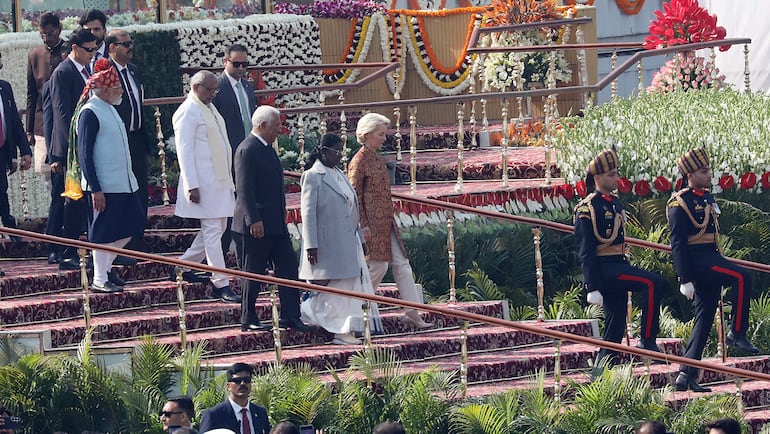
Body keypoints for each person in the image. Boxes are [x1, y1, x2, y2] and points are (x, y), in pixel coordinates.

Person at [668, 148, 758, 393]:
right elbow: (677, 243)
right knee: (742, 276)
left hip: (711, 257)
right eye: (703, 171)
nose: (709, 175)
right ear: (689, 174)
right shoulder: (679, 202)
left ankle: (686, 375)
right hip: (698, 262)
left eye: (709, 170)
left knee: (704, 319)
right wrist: (684, 277)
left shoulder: (707, 198)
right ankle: (737, 332)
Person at [573, 148, 666, 365]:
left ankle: (600, 374)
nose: (616, 178)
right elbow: (586, 249)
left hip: (618, 264)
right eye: (611, 174)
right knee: (653, 283)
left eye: (617, 173)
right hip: (604, 269)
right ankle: (647, 339)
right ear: (597, 177)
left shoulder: (614, 203)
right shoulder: (587, 208)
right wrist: (591, 285)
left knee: (614, 330)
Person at [231, 105, 313, 333]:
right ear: (262, 125)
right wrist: (253, 219)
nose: (280, 129)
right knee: (253, 273)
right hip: (255, 225)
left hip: (275, 223)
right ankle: (248, 318)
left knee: (287, 267)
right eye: (276, 125)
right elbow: (244, 189)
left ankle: (291, 316)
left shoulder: (266, 148)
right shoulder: (247, 149)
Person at [348, 113, 432, 330]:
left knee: (402, 265)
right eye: (380, 134)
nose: (384, 138)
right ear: (366, 135)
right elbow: (354, 196)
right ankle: (358, 308)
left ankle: (413, 313)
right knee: (378, 266)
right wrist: (362, 224)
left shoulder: (377, 159)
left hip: (387, 222)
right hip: (371, 225)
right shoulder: (358, 162)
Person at [299, 134, 383, 345]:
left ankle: (350, 326)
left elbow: (351, 209)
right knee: (337, 289)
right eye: (336, 151)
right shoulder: (312, 176)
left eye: (342, 151)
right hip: (328, 243)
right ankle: (337, 328)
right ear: (324, 151)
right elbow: (307, 213)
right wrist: (311, 245)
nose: (340, 156)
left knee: (351, 288)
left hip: (349, 242)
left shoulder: (339, 173)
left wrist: (362, 240)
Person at [74, 59, 144, 293]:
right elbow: (84, 153)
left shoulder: (110, 109)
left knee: (130, 228)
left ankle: (106, 268)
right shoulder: (90, 112)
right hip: (103, 185)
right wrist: (95, 188)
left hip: (124, 183)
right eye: (117, 89)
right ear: (104, 90)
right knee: (103, 233)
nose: (121, 92)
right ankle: (99, 278)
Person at [171, 71, 240, 304]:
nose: (213, 95)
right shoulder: (188, 111)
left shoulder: (208, 107)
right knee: (212, 231)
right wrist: (192, 185)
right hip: (203, 183)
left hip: (218, 180)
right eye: (209, 90)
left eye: (215, 90)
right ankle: (221, 283)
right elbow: (184, 151)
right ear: (196, 86)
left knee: (218, 227)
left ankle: (182, 266)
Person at [48, 28, 97, 270]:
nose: (93, 53)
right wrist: (64, 152)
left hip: (86, 145)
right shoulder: (63, 72)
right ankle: (67, 251)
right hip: (73, 150)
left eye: (95, 49)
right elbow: (62, 114)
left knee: (83, 201)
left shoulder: (87, 71)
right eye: (89, 50)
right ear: (75, 48)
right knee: (73, 200)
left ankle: (80, 249)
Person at [107, 29, 152, 255]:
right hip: (116, 142)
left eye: (130, 42)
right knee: (121, 192)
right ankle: (120, 244)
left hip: (136, 138)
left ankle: (137, 239)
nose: (130, 47)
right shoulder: (106, 72)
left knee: (141, 190)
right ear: (112, 48)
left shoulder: (133, 70)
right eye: (125, 44)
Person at [213, 43, 257, 255]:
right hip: (228, 153)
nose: (241, 69)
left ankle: (244, 242)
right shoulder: (217, 87)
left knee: (248, 194)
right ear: (225, 61)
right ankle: (225, 245)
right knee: (230, 200)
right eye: (236, 64)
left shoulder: (248, 87)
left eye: (245, 64)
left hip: (249, 150)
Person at [26, 11, 66, 199]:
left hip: (65, 120)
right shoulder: (35, 55)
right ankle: (55, 217)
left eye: (50, 33)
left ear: (59, 29)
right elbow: (32, 95)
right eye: (42, 34)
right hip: (42, 124)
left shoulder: (69, 50)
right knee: (46, 174)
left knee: (66, 171)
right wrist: (29, 130)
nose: (46, 38)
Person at [0, 52, 34, 252]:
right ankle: (9, 224)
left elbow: (14, 122)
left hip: (3, 150)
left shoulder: (5, 88)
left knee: (1, 188)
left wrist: (24, 151)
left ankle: (10, 225)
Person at [199, 363, 270, 434]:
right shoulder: (214, 415)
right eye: (237, 381)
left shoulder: (260, 412)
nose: (242, 383)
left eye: (246, 380)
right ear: (228, 386)